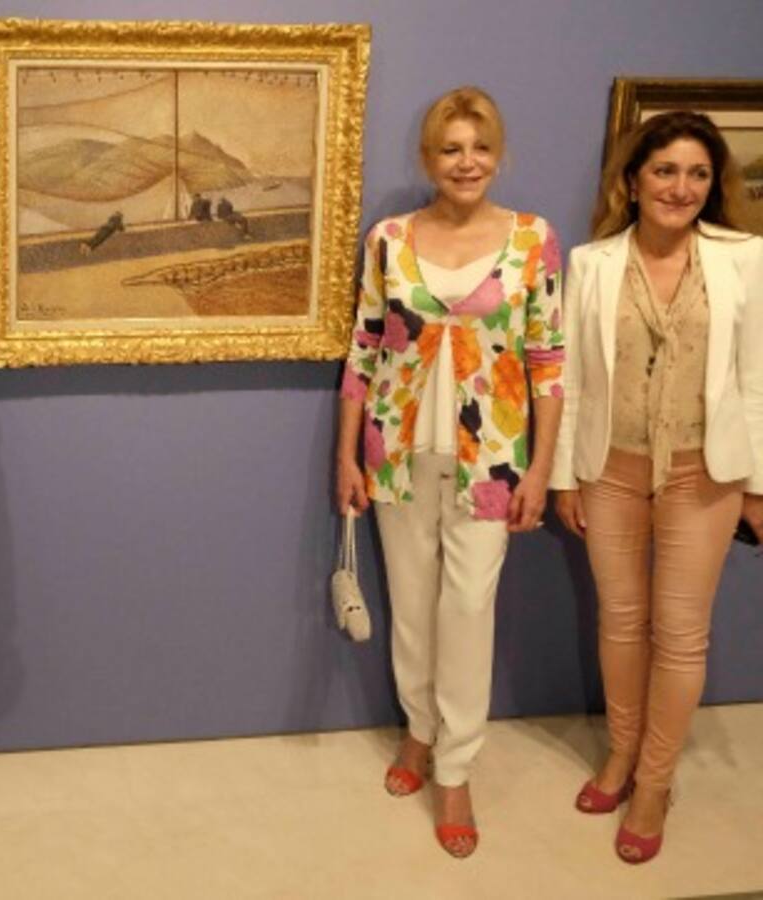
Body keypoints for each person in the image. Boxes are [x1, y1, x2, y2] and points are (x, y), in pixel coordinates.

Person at [335, 86, 564, 859]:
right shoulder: (390, 240)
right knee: (412, 605)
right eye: (451, 149)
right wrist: (346, 454)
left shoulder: (533, 239)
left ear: (499, 154)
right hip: (396, 454)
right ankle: (419, 730)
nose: (467, 162)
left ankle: (456, 766)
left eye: (480, 147)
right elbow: (364, 349)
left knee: (467, 609)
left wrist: (541, 469)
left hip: (493, 461)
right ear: (427, 158)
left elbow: (549, 362)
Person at [551, 111, 763, 864]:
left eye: (698, 173)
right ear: (633, 181)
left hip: (706, 472)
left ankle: (655, 781)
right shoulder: (592, 263)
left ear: (714, 184)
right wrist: (565, 477)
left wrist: (758, 487)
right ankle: (622, 751)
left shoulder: (745, 258)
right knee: (619, 621)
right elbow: (572, 376)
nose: (681, 187)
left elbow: (757, 379)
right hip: (609, 468)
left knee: (679, 633)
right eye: (665, 170)